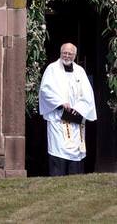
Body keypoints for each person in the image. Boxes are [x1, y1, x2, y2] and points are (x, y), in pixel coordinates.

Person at [38, 42, 96, 175]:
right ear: (60, 53)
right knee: (58, 150)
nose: (67, 56)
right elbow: (45, 90)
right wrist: (60, 102)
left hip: (74, 120)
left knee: (76, 153)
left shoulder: (80, 71)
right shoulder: (52, 69)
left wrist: (79, 107)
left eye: (70, 53)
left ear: (75, 55)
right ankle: (57, 178)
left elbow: (88, 93)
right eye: (65, 53)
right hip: (58, 119)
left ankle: (75, 181)